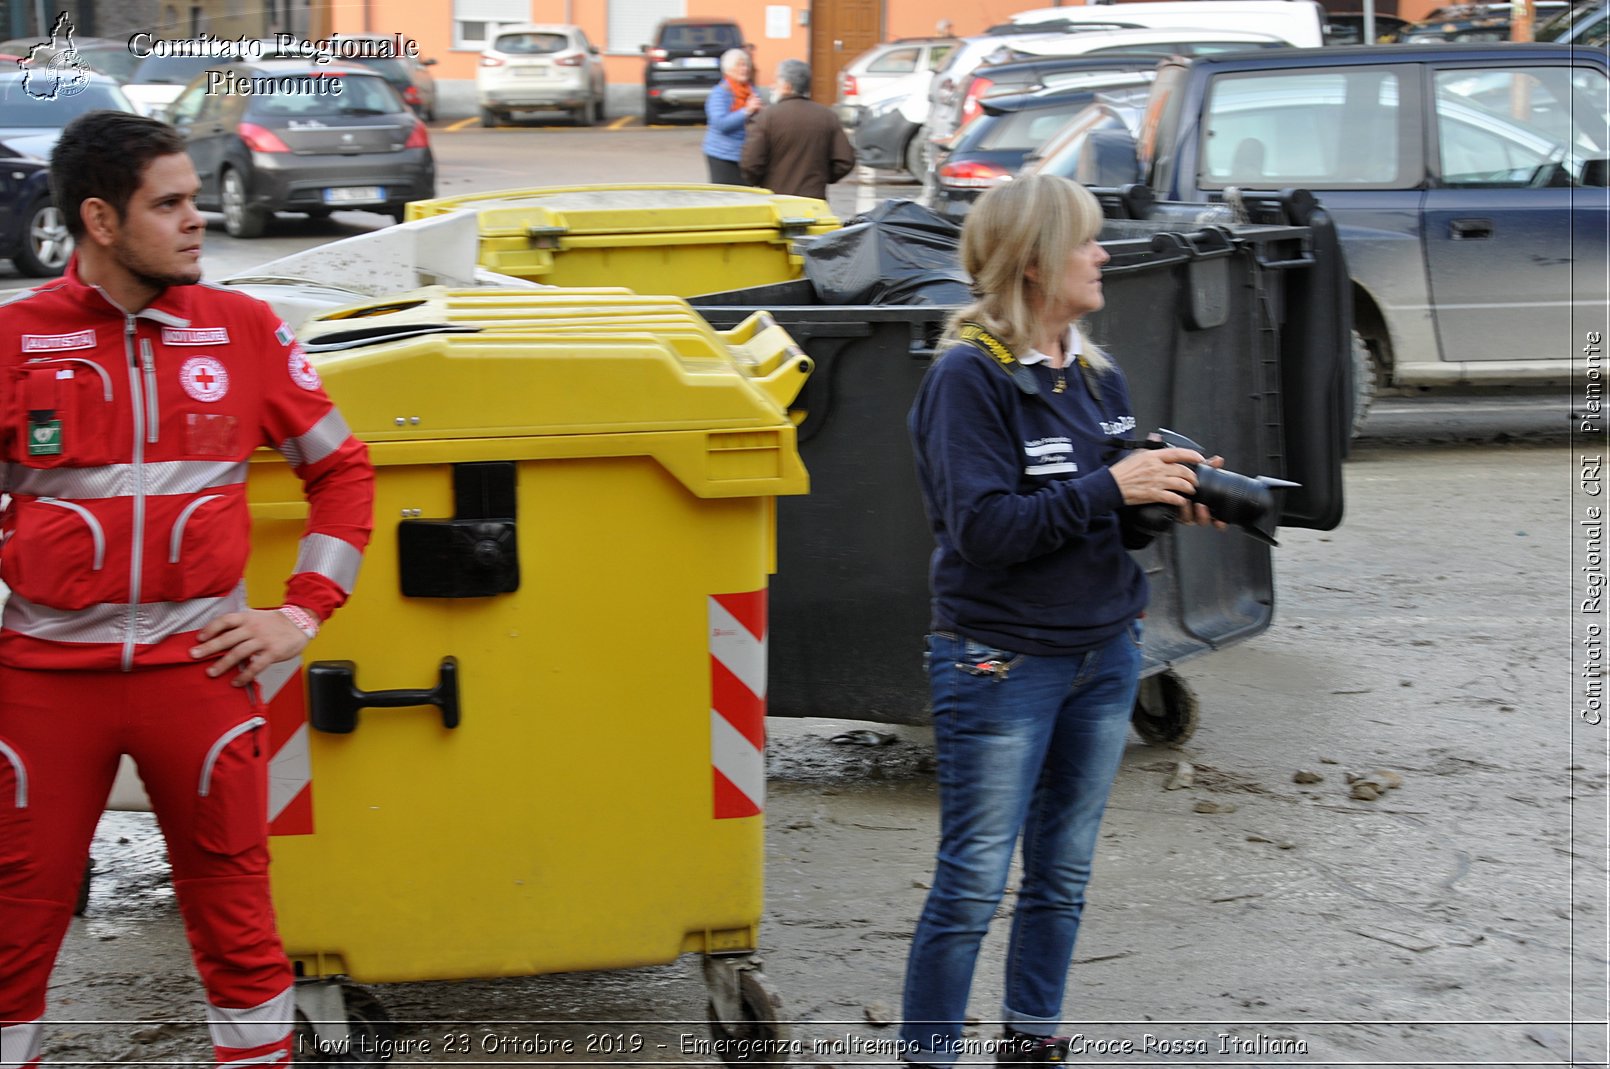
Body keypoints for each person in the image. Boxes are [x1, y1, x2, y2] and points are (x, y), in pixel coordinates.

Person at [0, 111, 374, 1069]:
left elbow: (343, 473)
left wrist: (298, 613)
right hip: (43, 684)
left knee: (240, 927)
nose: (196, 220)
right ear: (101, 221)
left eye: (196, 200)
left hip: (198, 678)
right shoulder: (16, 337)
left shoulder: (243, 330)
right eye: (169, 204)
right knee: (12, 939)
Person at [900, 173, 1219, 1067]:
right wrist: (1107, 485)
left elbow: (1101, 519)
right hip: (1000, 661)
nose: (1103, 254)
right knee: (971, 881)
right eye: (1086, 241)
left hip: (1103, 651)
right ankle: (930, 1054)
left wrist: (1165, 494)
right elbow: (985, 529)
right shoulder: (967, 377)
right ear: (1035, 263)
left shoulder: (1092, 373)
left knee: (1063, 874)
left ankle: (1031, 1038)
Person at [739, 59, 856, 201]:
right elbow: (845, 160)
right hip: (814, 202)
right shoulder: (827, 116)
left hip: (775, 202)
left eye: (775, 81)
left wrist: (760, 182)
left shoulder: (765, 118)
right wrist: (821, 177)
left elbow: (750, 163)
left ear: (787, 86)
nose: (771, 86)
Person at [703, 47, 762, 185]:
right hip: (722, 156)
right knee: (726, 198)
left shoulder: (752, 91)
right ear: (728, 69)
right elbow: (721, 123)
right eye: (740, 65)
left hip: (746, 156)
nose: (745, 68)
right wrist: (746, 111)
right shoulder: (720, 93)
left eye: (746, 64)